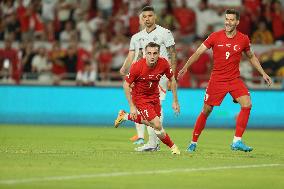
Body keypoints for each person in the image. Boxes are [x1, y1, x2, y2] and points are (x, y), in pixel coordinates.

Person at [178, 9, 273, 153]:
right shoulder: (215, 36)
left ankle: (237, 141)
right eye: (226, 19)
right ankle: (193, 142)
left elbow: (251, 56)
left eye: (231, 20)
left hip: (234, 79)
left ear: (237, 22)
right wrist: (185, 67)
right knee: (206, 110)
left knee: (247, 103)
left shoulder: (243, 39)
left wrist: (263, 73)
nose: (228, 22)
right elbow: (198, 52)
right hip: (217, 80)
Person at [120, 6, 177, 152]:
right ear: (141, 18)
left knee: (156, 108)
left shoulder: (165, 32)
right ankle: (150, 141)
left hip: (161, 74)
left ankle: (153, 142)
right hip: (143, 76)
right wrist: (124, 68)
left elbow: (172, 53)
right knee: (144, 109)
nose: (147, 19)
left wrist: (172, 76)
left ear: (155, 17)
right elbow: (134, 55)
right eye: (144, 16)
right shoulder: (137, 36)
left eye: (150, 16)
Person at [115, 42, 180, 155]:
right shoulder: (137, 66)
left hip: (155, 96)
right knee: (157, 124)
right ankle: (173, 147)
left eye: (155, 53)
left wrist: (175, 101)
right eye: (149, 53)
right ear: (145, 54)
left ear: (159, 54)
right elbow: (126, 84)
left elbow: (172, 79)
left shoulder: (163, 63)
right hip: (140, 98)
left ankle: (125, 116)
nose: (152, 56)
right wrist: (132, 106)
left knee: (155, 124)